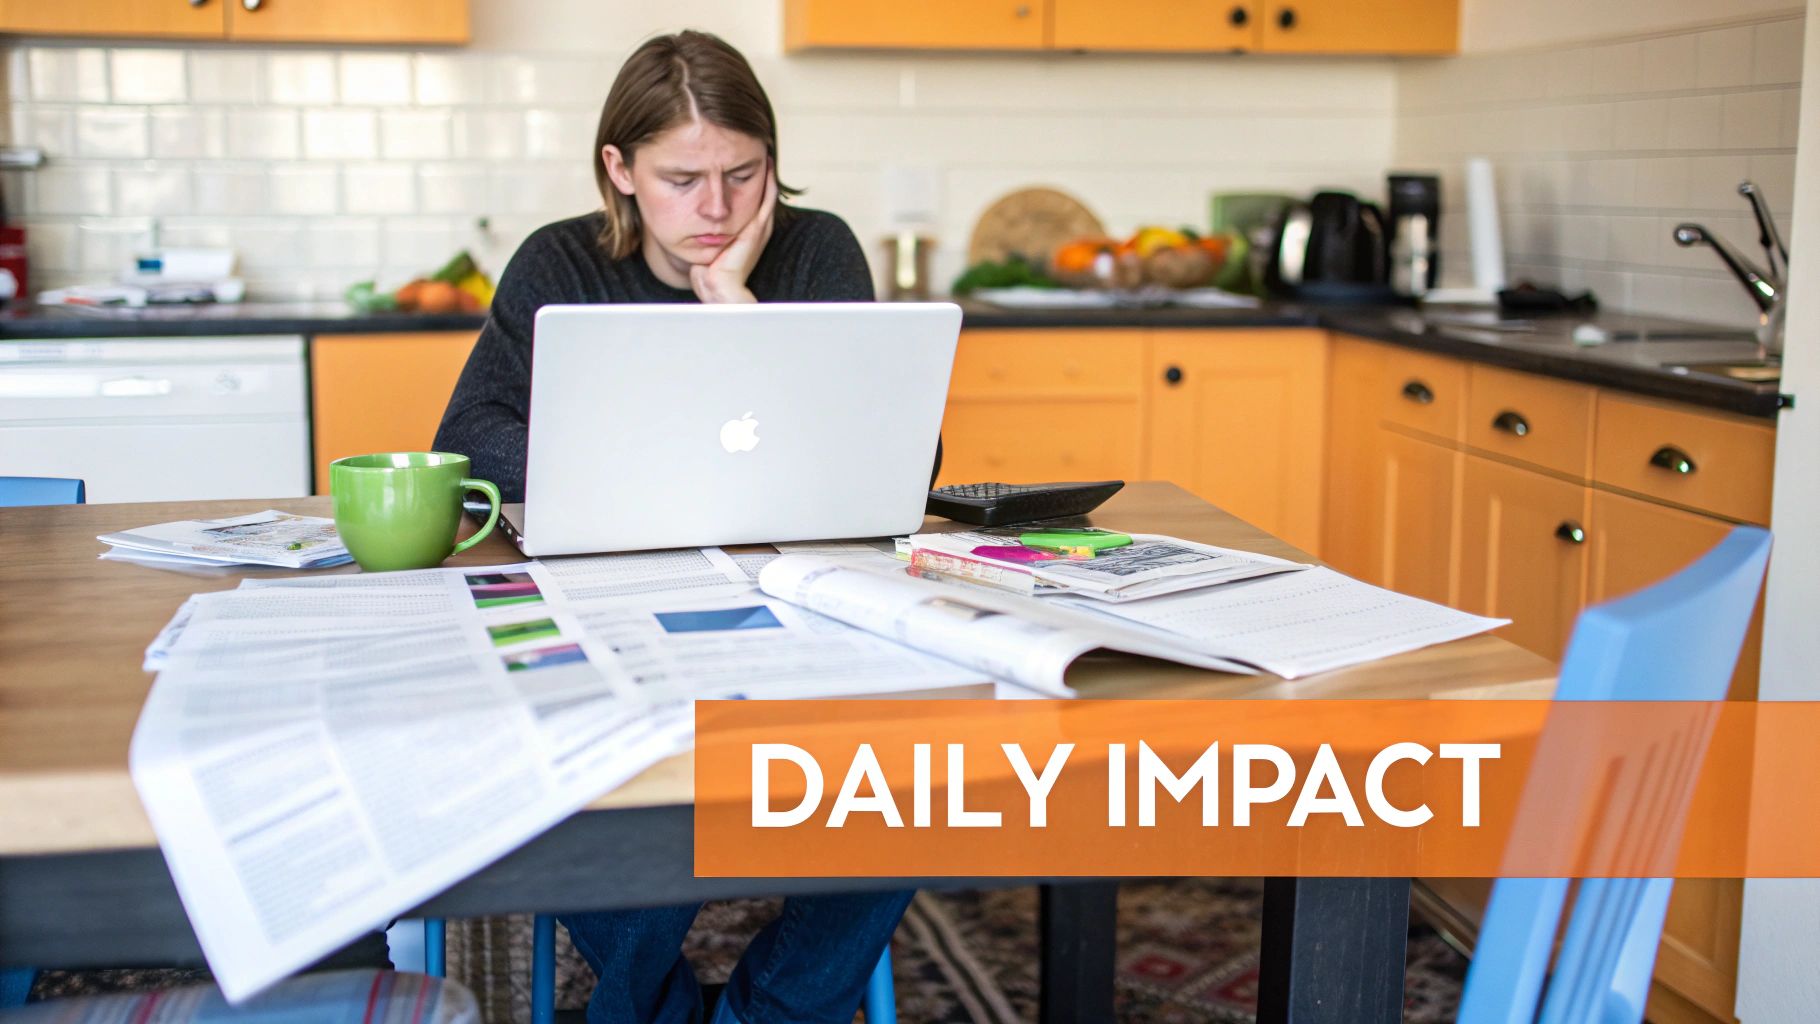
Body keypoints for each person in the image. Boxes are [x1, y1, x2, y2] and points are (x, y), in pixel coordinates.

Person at [433, 29, 912, 1024]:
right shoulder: (558, 261)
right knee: (622, 811)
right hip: (611, 607)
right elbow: (468, 437)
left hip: (792, 607)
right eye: (682, 177)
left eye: (743, 174)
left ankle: (771, 1011)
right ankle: (656, 1011)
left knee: (915, 779)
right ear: (618, 168)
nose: (717, 208)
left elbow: (895, 454)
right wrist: (647, 475)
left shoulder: (815, 250)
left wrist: (737, 312)